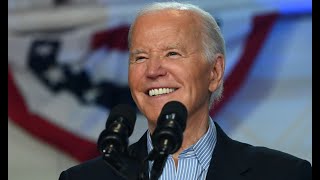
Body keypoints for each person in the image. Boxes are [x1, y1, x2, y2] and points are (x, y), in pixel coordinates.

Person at [59, 2, 312, 180]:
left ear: (214, 72)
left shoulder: (285, 174)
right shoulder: (83, 178)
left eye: (172, 53)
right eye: (140, 57)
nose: (153, 70)